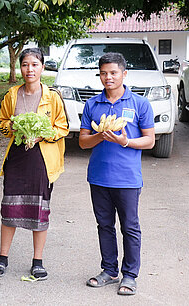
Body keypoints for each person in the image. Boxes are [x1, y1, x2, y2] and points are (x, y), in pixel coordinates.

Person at [79, 52, 155, 295]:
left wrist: (125, 141)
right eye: (103, 73)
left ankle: (130, 275)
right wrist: (99, 136)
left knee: (130, 227)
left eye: (113, 72)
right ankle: (109, 270)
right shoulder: (92, 105)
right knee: (104, 225)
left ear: (124, 73)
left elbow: (150, 140)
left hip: (127, 178)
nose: (108, 77)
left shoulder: (139, 104)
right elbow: (82, 142)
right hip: (98, 177)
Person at [0, 48, 68, 280]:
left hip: (41, 160)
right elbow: (3, 122)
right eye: (25, 64)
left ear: (42, 67)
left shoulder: (52, 97)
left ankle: (38, 261)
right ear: (20, 68)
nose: (30, 69)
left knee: (39, 210)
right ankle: (3, 258)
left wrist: (43, 133)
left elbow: (62, 127)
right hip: (17, 157)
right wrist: (13, 128)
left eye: (35, 64)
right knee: (9, 207)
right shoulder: (11, 95)